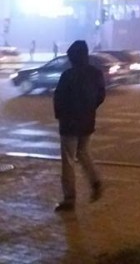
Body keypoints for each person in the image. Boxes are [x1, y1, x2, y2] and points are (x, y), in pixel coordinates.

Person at [53, 40, 105, 212]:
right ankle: (95, 181)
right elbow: (101, 95)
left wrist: (60, 115)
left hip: (69, 123)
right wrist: (90, 108)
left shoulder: (68, 75)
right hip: (87, 121)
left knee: (68, 160)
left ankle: (69, 199)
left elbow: (59, 97)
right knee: (83, 152)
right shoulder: (96, 73)